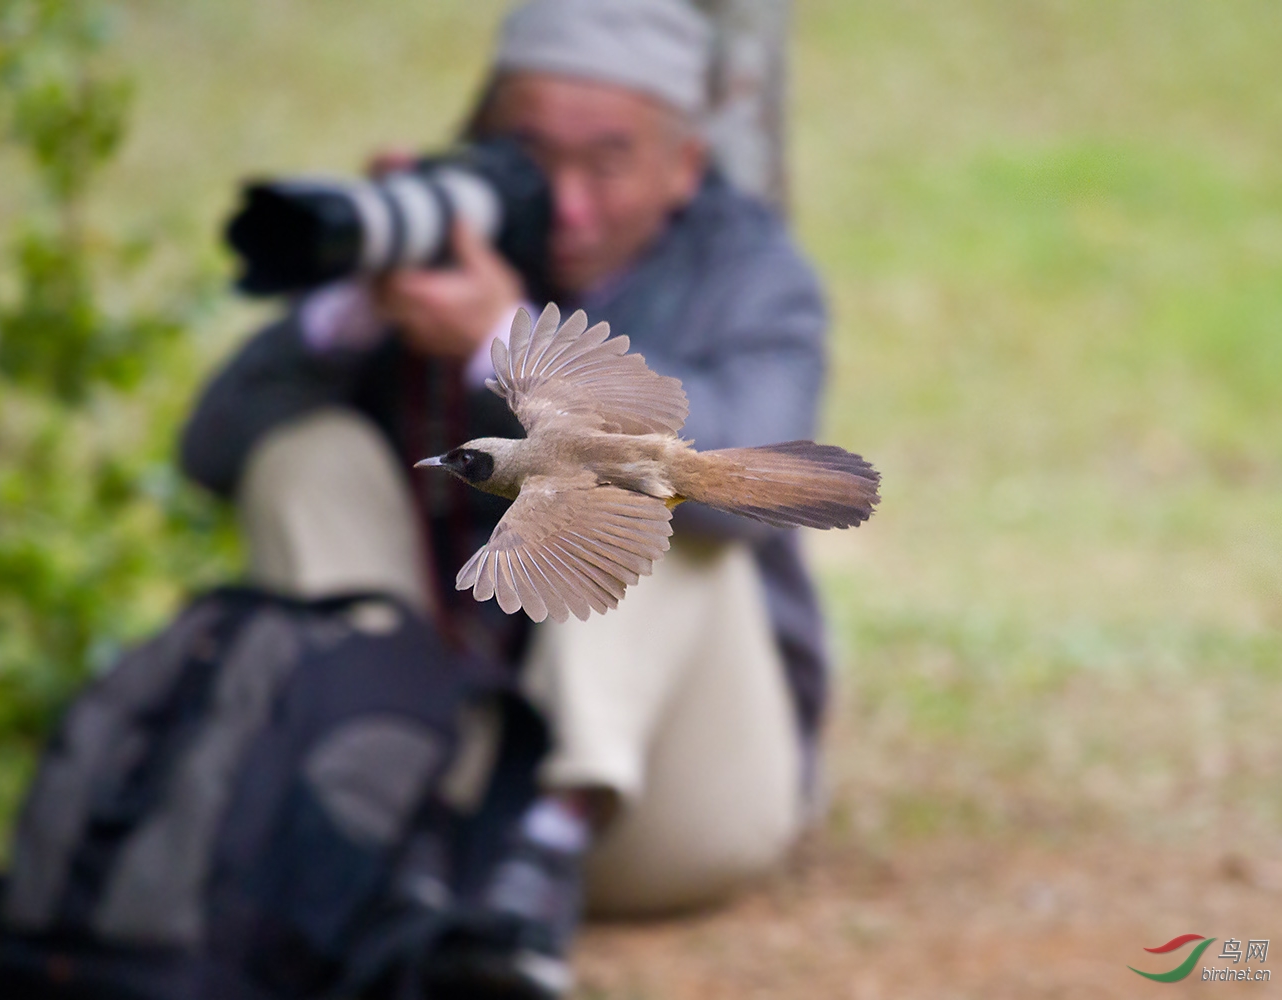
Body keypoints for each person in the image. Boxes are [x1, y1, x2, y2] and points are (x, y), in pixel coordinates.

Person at [181, 0, 832, 994]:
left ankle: (540, 850)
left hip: (663, 800)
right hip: (434, 794)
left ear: (683, 169)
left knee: (640, 477)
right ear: (485, 145)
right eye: (534, 161)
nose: (567, 206)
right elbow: (212, 446)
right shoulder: (449, 234)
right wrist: (351, 313)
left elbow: (754, 488)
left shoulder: (752, 273)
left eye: (606, 164)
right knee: (300, 450)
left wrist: (508, 343)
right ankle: (374, 812)